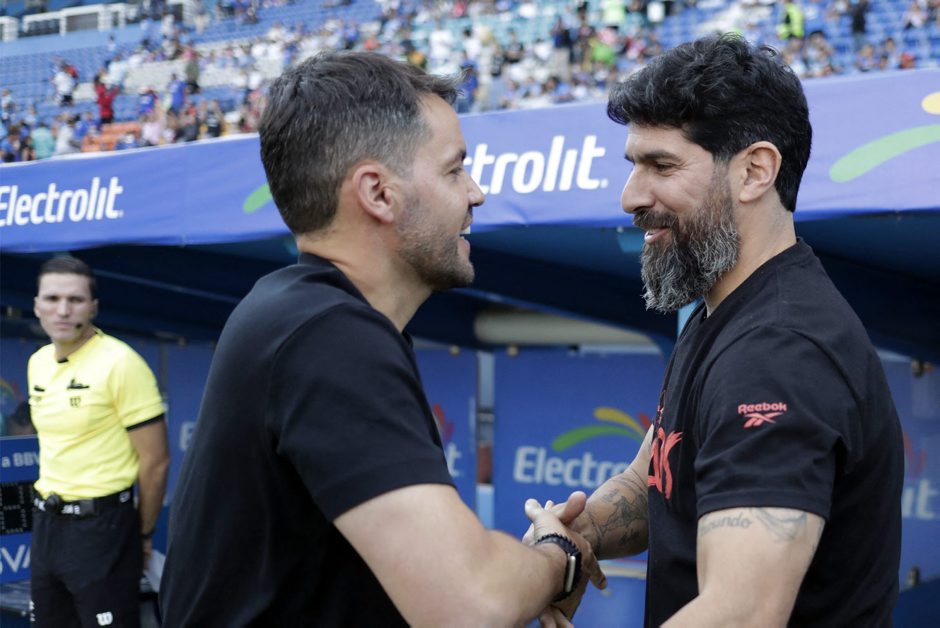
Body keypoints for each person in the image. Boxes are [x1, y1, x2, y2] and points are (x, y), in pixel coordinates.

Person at [158, 50, 603, 626]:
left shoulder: (303, 314)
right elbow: (471, 602)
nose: (475, 193)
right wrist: (558, 557)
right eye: (453, 170)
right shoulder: (327, 334)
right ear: (378, 193)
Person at [535, 33, 903, 626]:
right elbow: (655, 477)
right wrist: (574, 540)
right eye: (633, 166)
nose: (630, 197)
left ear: (755, 171)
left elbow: (742, 612)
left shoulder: (778, 350)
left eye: (661, 165)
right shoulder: (725, 308)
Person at [28, 256, 170, 627]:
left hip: (102, 527)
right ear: (36, 305)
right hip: (46, 524)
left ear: (93, 306)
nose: (62, 310)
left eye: (75, 300)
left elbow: (156, 462)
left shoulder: (121, 363)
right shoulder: (38, 362)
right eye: (52, 298)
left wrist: (143, 534)